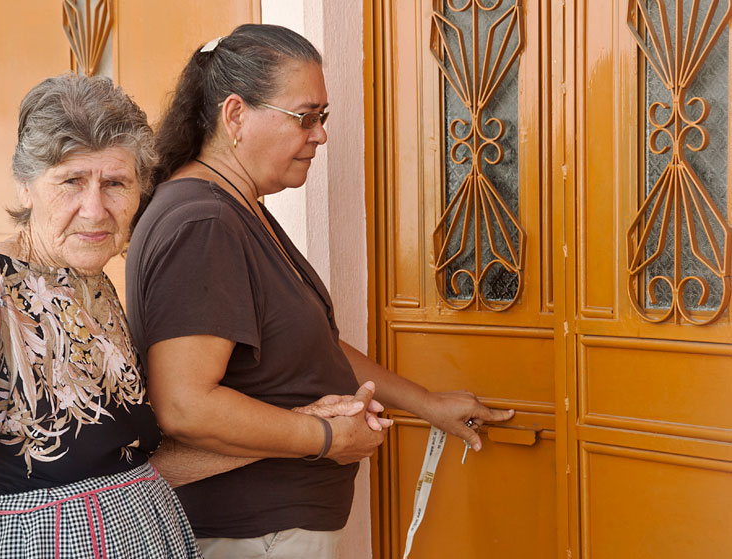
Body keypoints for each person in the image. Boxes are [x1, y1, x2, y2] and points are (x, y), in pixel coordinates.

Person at [125, 24, 515, 559]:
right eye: (304, 117)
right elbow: (185, 406)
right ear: (235, 116)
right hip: (249, 535)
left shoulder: (238, 209)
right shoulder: (204, 221)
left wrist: (425, 404)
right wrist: (328, 439)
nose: (320, 135)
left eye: (323, 118)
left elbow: (313, 351)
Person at [0, 74, 206, 559]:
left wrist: (298, 435)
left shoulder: (91, 279)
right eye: (71, 181)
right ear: (25, 187)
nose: (95, 209)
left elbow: (123, 467)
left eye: (116, 183)